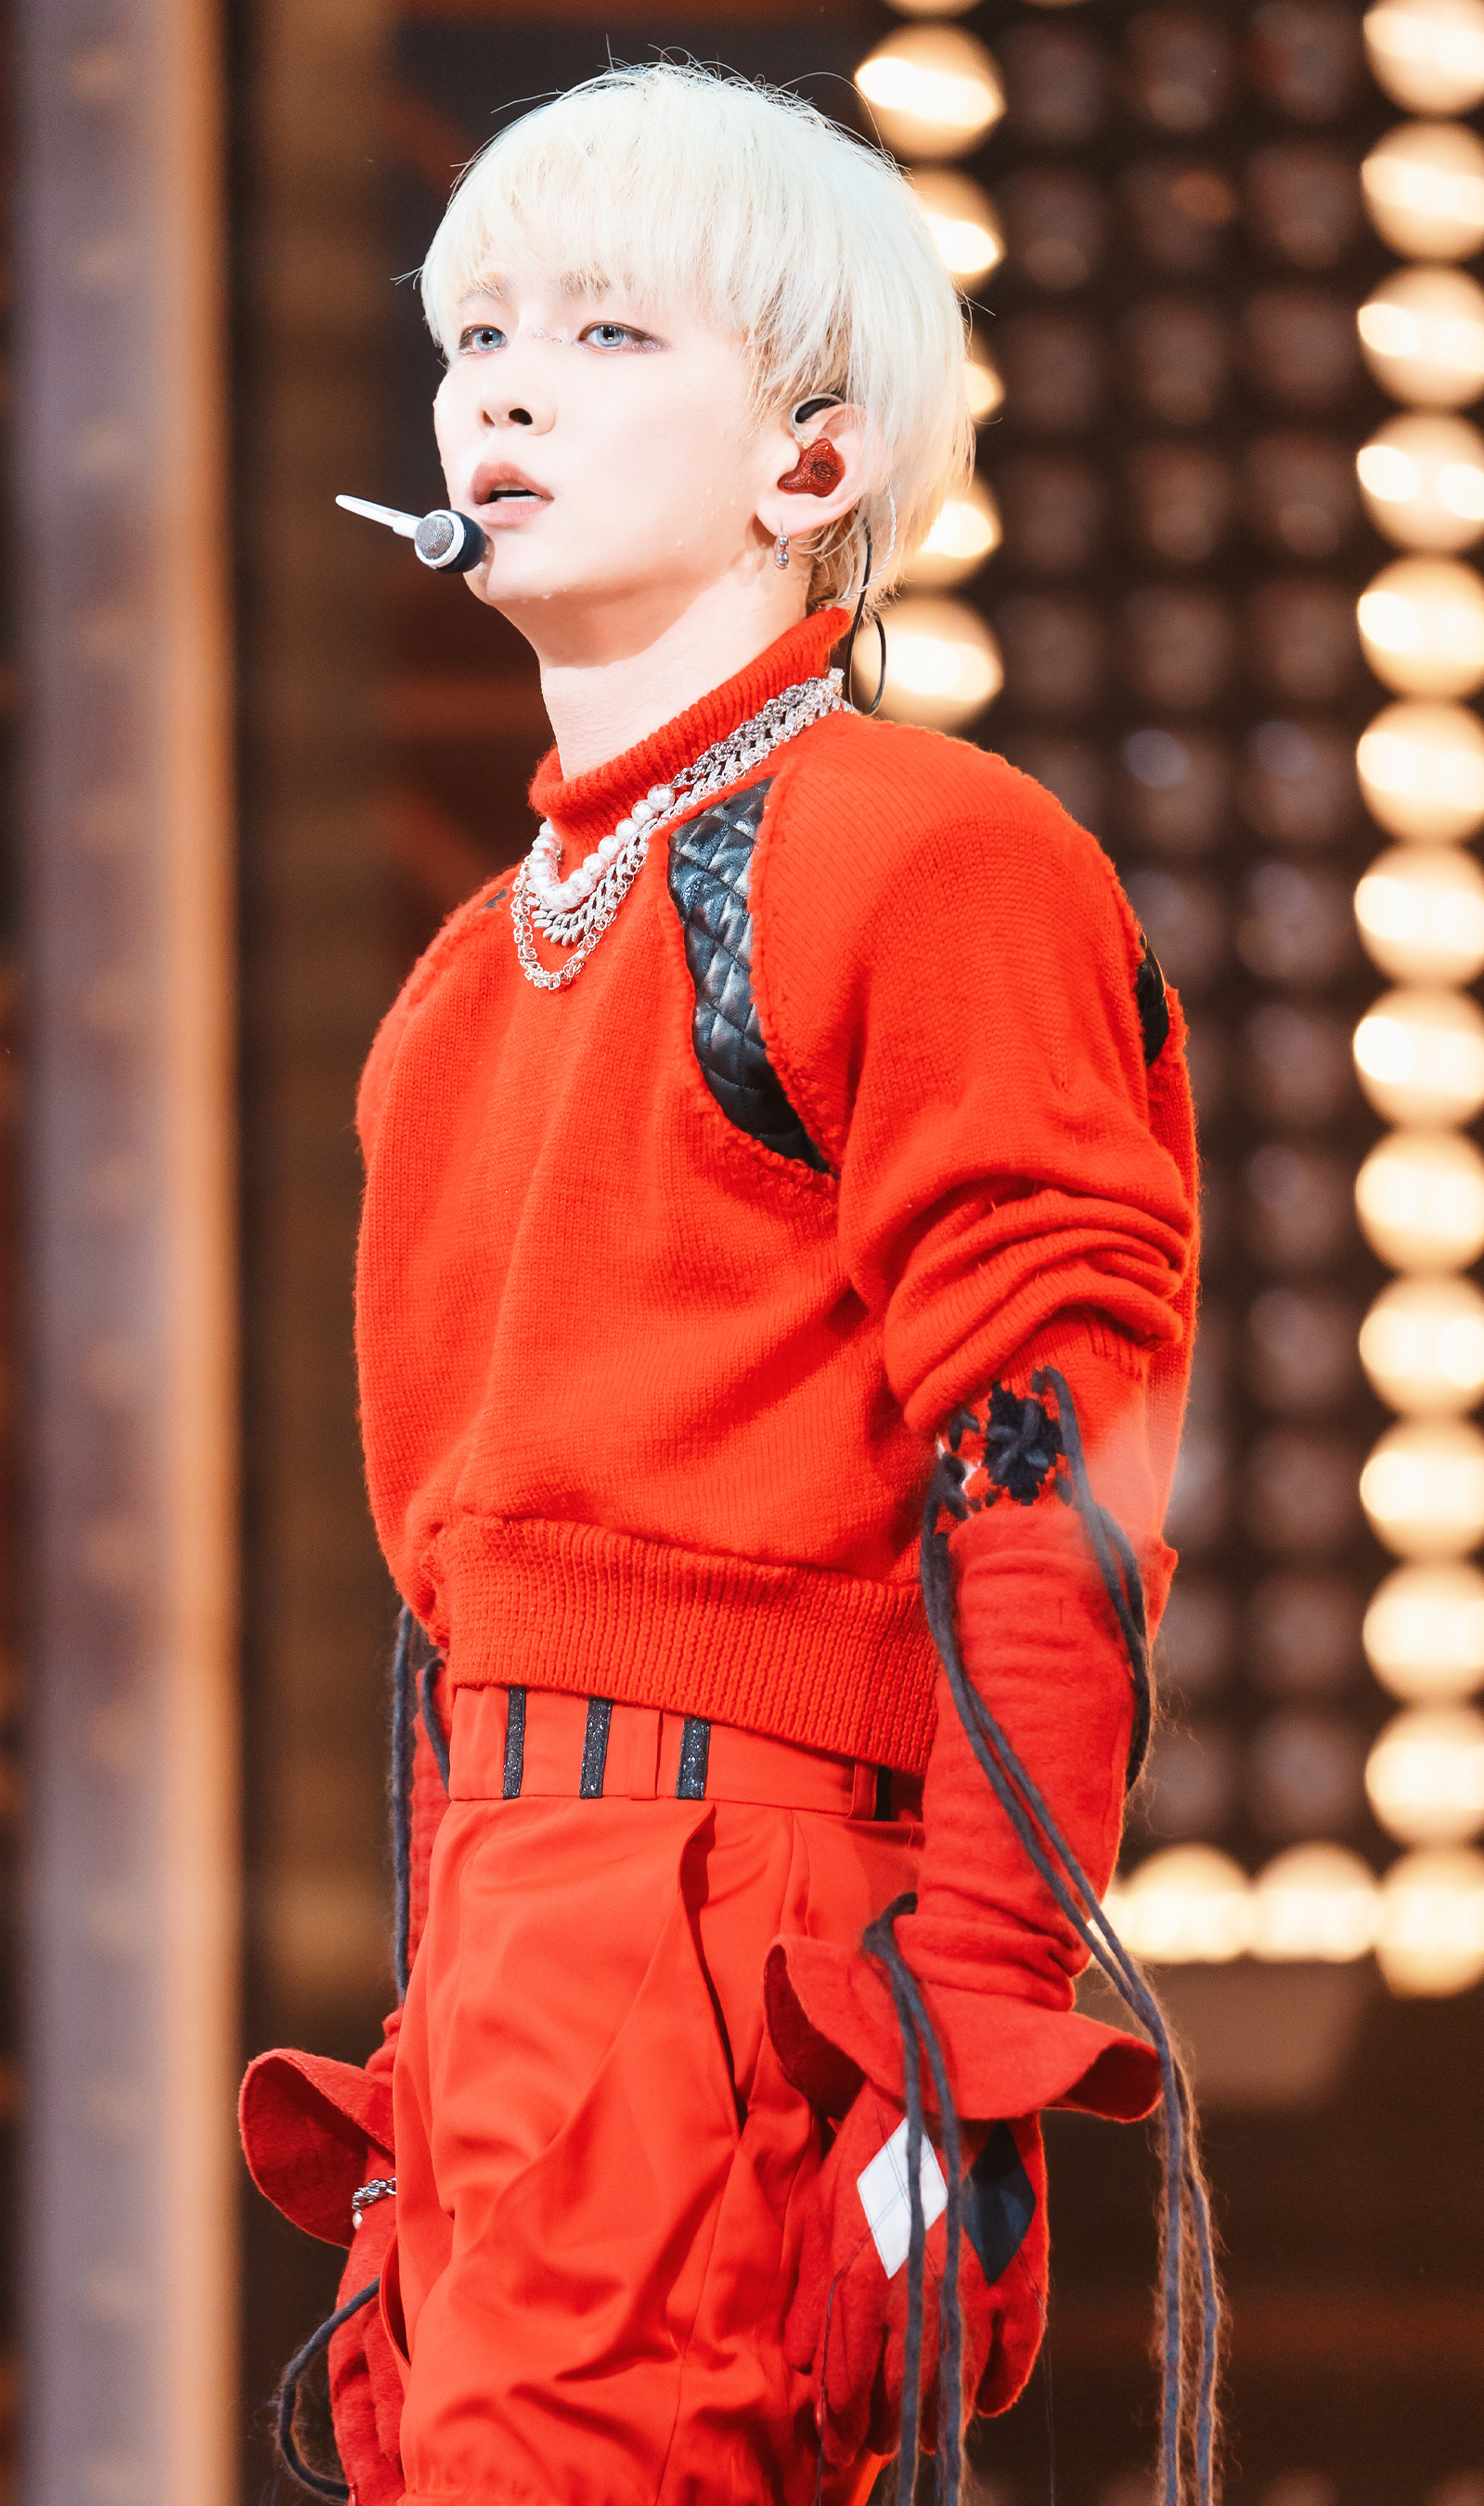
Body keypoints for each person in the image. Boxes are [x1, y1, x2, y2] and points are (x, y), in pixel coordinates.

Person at [239, 61, 1206, 2506]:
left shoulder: (931, 853)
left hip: (734, 1938)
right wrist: (431, 2067)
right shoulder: (464, 985)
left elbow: (1054, 1469)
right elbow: (464, 1606)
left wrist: (966, 2029)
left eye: (606, 334)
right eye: (477, 338)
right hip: (500, 1961)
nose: (503, 391)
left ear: (811, 460)